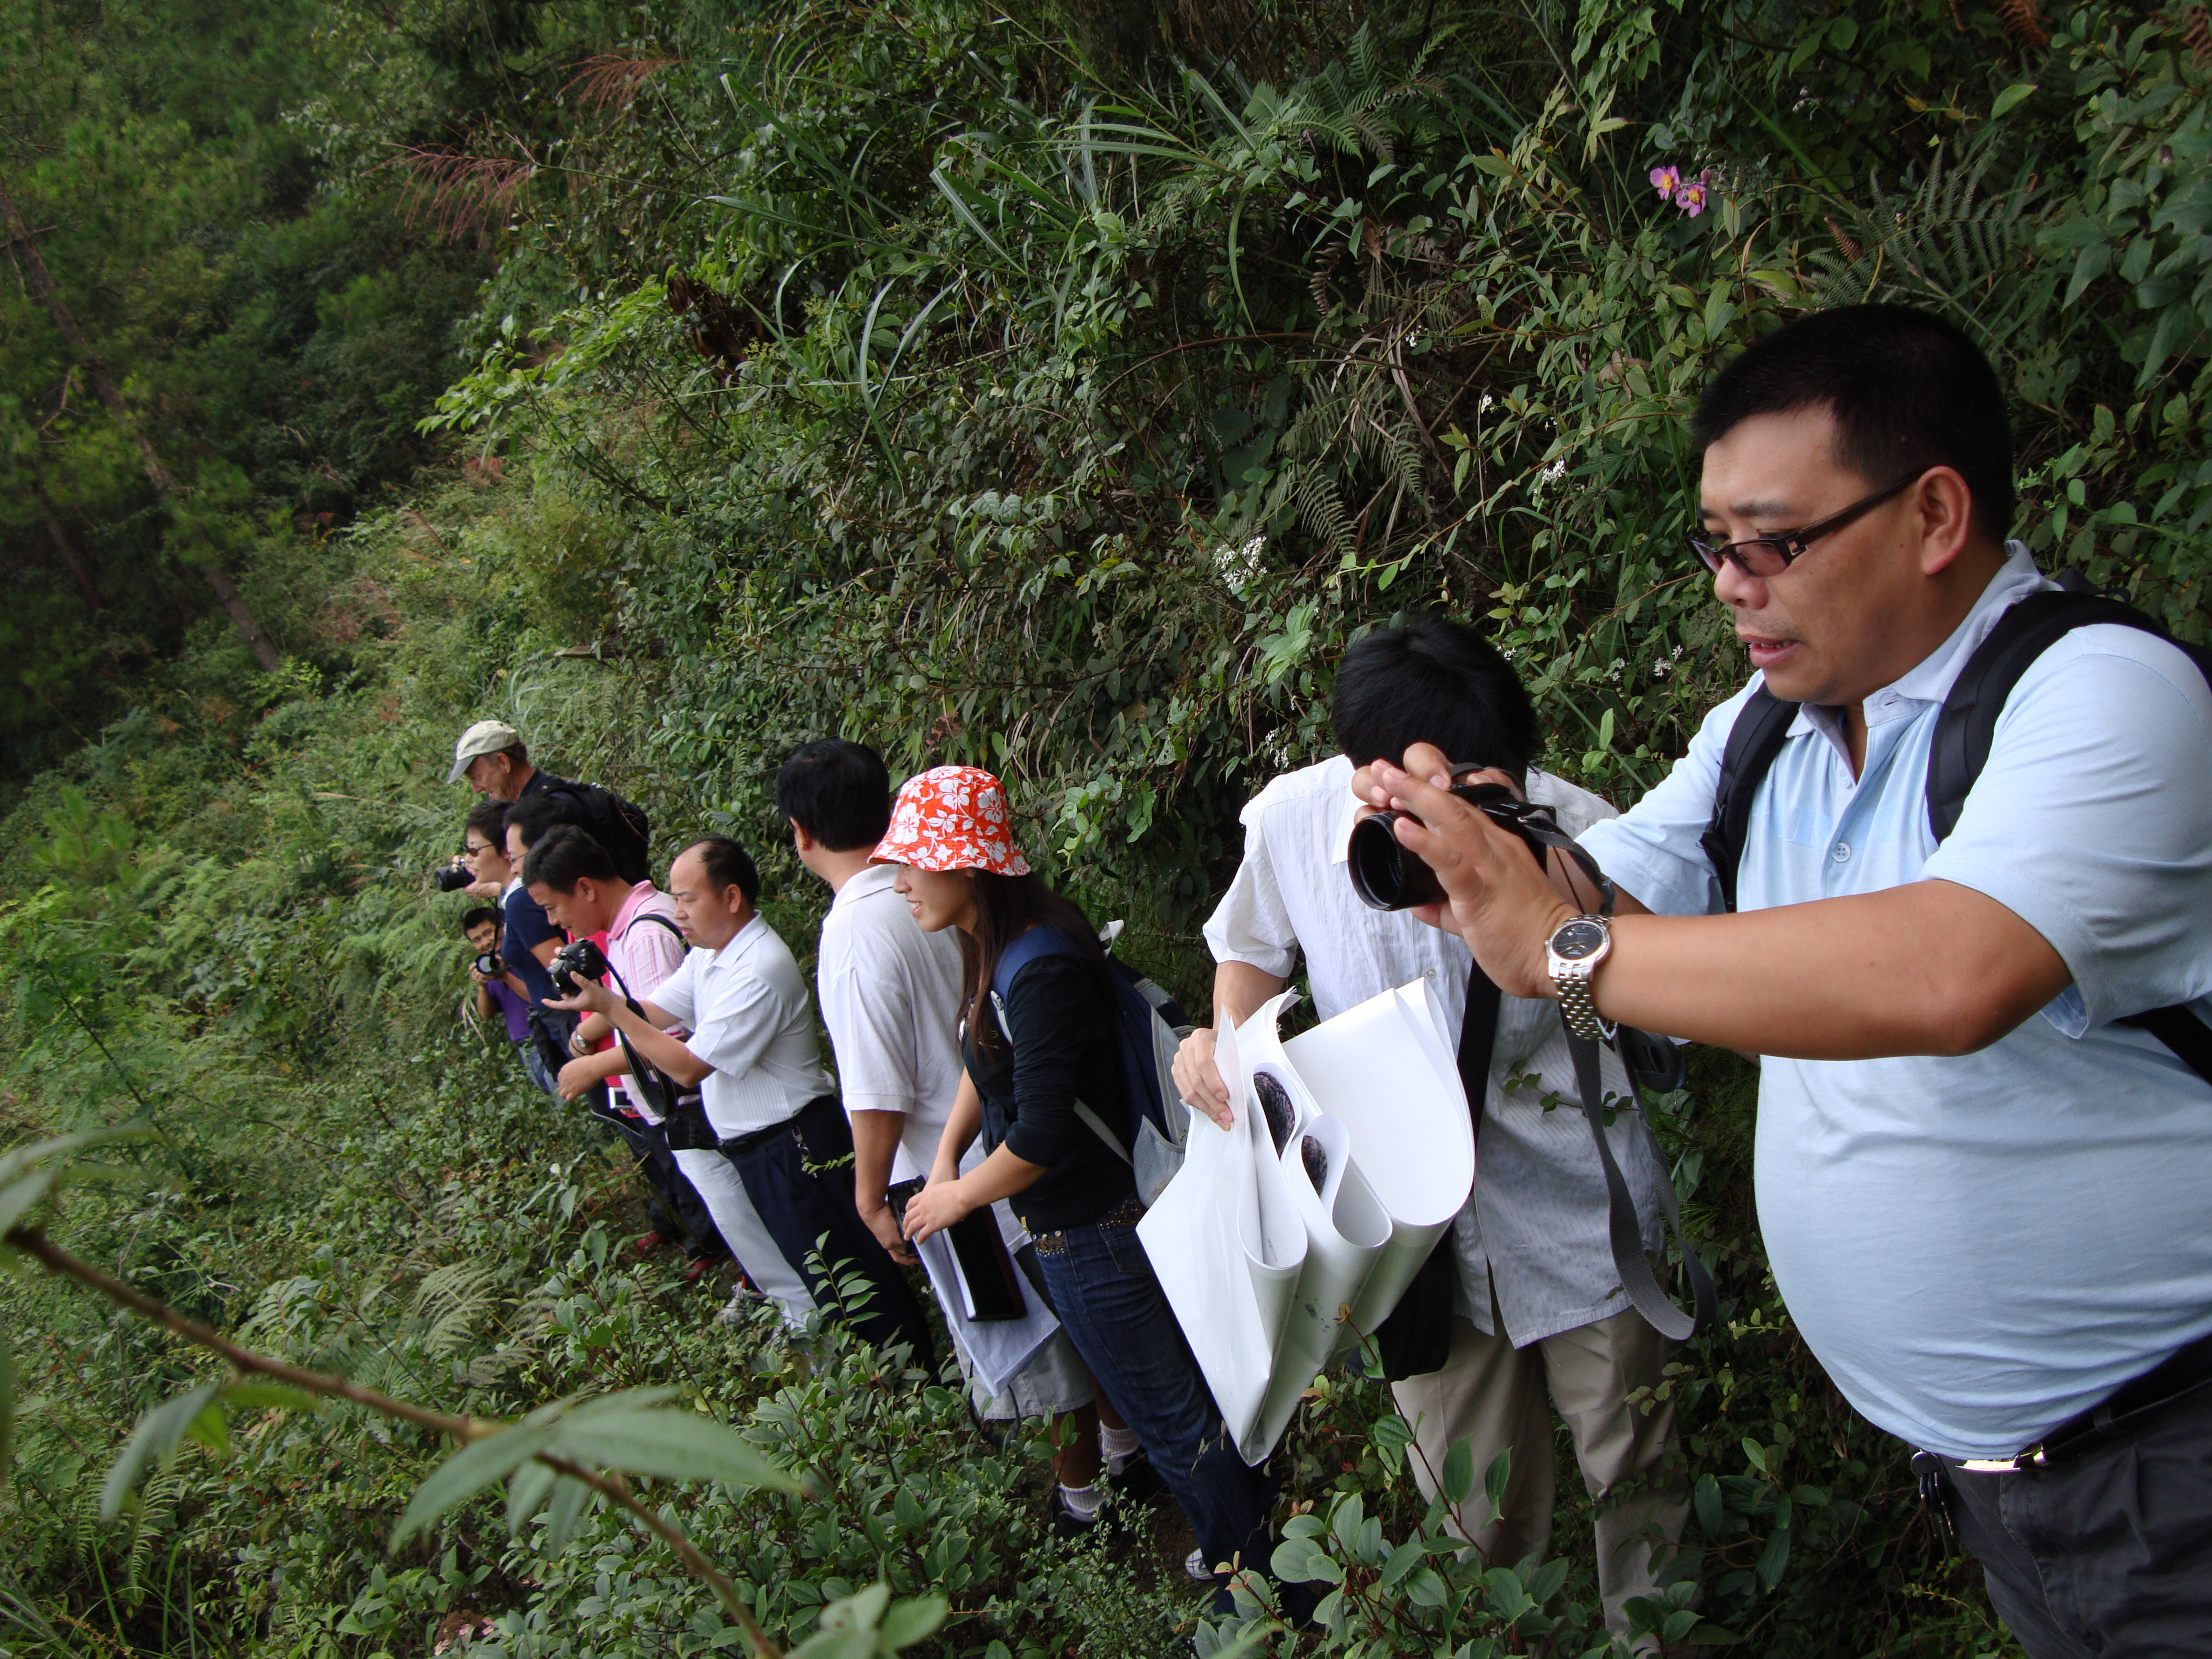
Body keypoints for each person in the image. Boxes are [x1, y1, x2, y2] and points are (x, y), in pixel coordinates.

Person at [1352, 305, 2212, 1658]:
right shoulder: (1772, 730)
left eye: (1773, 543)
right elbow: (1616, 896)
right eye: (1715, 545)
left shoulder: (2104, 693)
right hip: (2000, 1483)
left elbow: (1953, 972)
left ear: (1935, 516)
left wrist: (1566, 950)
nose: (1730, 586)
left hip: (2167, 1452)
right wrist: (1480, 845)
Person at [1170, 620, 1688, 1638]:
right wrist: (1221, 1041)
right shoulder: (1294, 823)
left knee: (1636, 1478)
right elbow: (1250, 951)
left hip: (1583, 1211)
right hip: (1414, 1234)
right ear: (1367, 772)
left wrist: (1547, 911)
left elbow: (1646, 1012)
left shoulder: (1572, 830)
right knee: (1470, 1517)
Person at [887, 767, 1298, 1613]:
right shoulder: (1005, 943)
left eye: (914, 864)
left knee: (1170, 1416)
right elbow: (988, 1059)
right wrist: (946, 1154)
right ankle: (1257, 1551)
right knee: (1179, 1402)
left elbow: (1040, 1137)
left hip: (1093, 1232)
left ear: (966, 865)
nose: (901, 884)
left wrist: (958, 1197)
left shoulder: (1034, 967)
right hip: (1088, 1224)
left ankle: (1257, 1590)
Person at [777, 739, 1129, 1534]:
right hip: (1007, 1151)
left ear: (801, 833)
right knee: (1080, 1326)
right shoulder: (940, 890)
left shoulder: (862, 929)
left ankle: (1085, 1503)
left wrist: (872, 1198)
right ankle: (1124, 1450)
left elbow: (876, 1094)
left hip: (970, 1177)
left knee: (1036, 1353)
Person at [553, 837, 935, 1359]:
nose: (678, 913)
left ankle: (912, 1376)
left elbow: (687, 1066)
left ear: (731, 897)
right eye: (675, 899)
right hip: (760, 1152)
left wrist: (611, 1014)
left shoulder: (760, 964)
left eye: (688, 900)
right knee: (824, 1283)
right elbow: (654, 1012)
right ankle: (878, 1382)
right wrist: (602, 1002)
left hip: (796, 1147)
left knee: (856, 1282)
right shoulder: (708, 958)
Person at [521, 825, 731, 1280]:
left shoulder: (643, 937)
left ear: (584, 888)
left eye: (553, 907)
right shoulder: (627, 931)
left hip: (691, 1107)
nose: (555, 922)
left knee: (737, 1217)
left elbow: (669, 1042)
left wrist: (594, 1066)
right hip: (687, 1106)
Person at [456, 799, 564, 1097]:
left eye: (474, 851)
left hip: (566, 1021)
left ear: (504, 849)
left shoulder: (520, 902)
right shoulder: (513, 898)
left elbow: (562, 970)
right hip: (556, 1021)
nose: (469, 860)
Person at [461, 905, 534, 1066]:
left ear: (501, 927)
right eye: (477, 940)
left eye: (488, 933)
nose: (485, 943)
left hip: (545, 1036)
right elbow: (487, 1015)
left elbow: (537, 997)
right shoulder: (489, 966)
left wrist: (504, 975)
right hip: (523, 1045)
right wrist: (482, 987)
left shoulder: (522, 953)